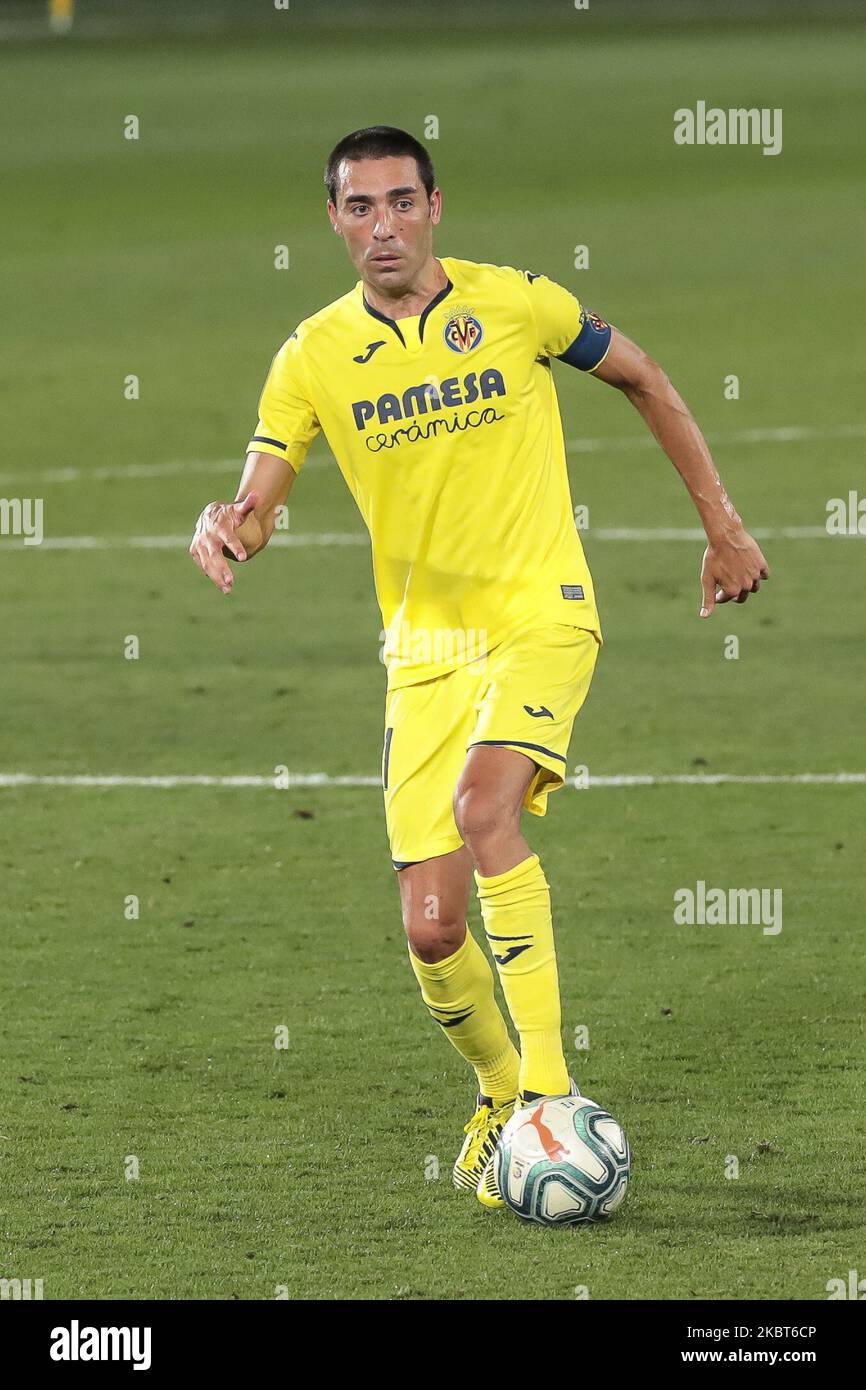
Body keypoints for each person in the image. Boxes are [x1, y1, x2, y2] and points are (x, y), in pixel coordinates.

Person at [189, 126, 769, 1208]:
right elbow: (260, 499)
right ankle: (501, 1094)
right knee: (431, 927)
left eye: (400, 203)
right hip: (424, 656)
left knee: (484, 808)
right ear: (332, 220)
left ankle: (549, 1092)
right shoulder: (310, 353)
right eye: (358, 208)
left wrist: (722, 527)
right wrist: (230, 528)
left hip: (541, 613)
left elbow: (643, 377)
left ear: (435, 207)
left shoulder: (518, 303)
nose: (382, 228)